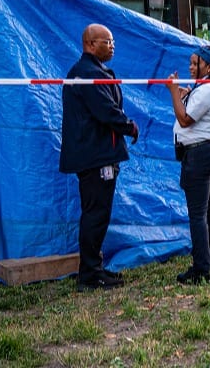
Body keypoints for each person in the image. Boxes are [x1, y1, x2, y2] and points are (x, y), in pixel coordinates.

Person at [60, 24, 139, 292]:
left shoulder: (92, 71)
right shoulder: (86, 74)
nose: (112, 46)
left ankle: (93, 268)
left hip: (98, 154)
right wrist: (129, 126)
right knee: (95, 214)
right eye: (107, 42)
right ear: (90, 44)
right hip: (96, 157)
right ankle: (90, 275)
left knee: (97, 213)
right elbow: (106, 111)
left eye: (113, 41)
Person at [166, 44, 210, 284]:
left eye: (196, 63)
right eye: (190, 63)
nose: (191, 67)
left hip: (200, 154)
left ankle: (201, 269)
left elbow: (184, 120)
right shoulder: (207, 87)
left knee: (197, 214)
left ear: (209, 66)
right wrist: (186, 95)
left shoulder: (208, 89)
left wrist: (174, 93)